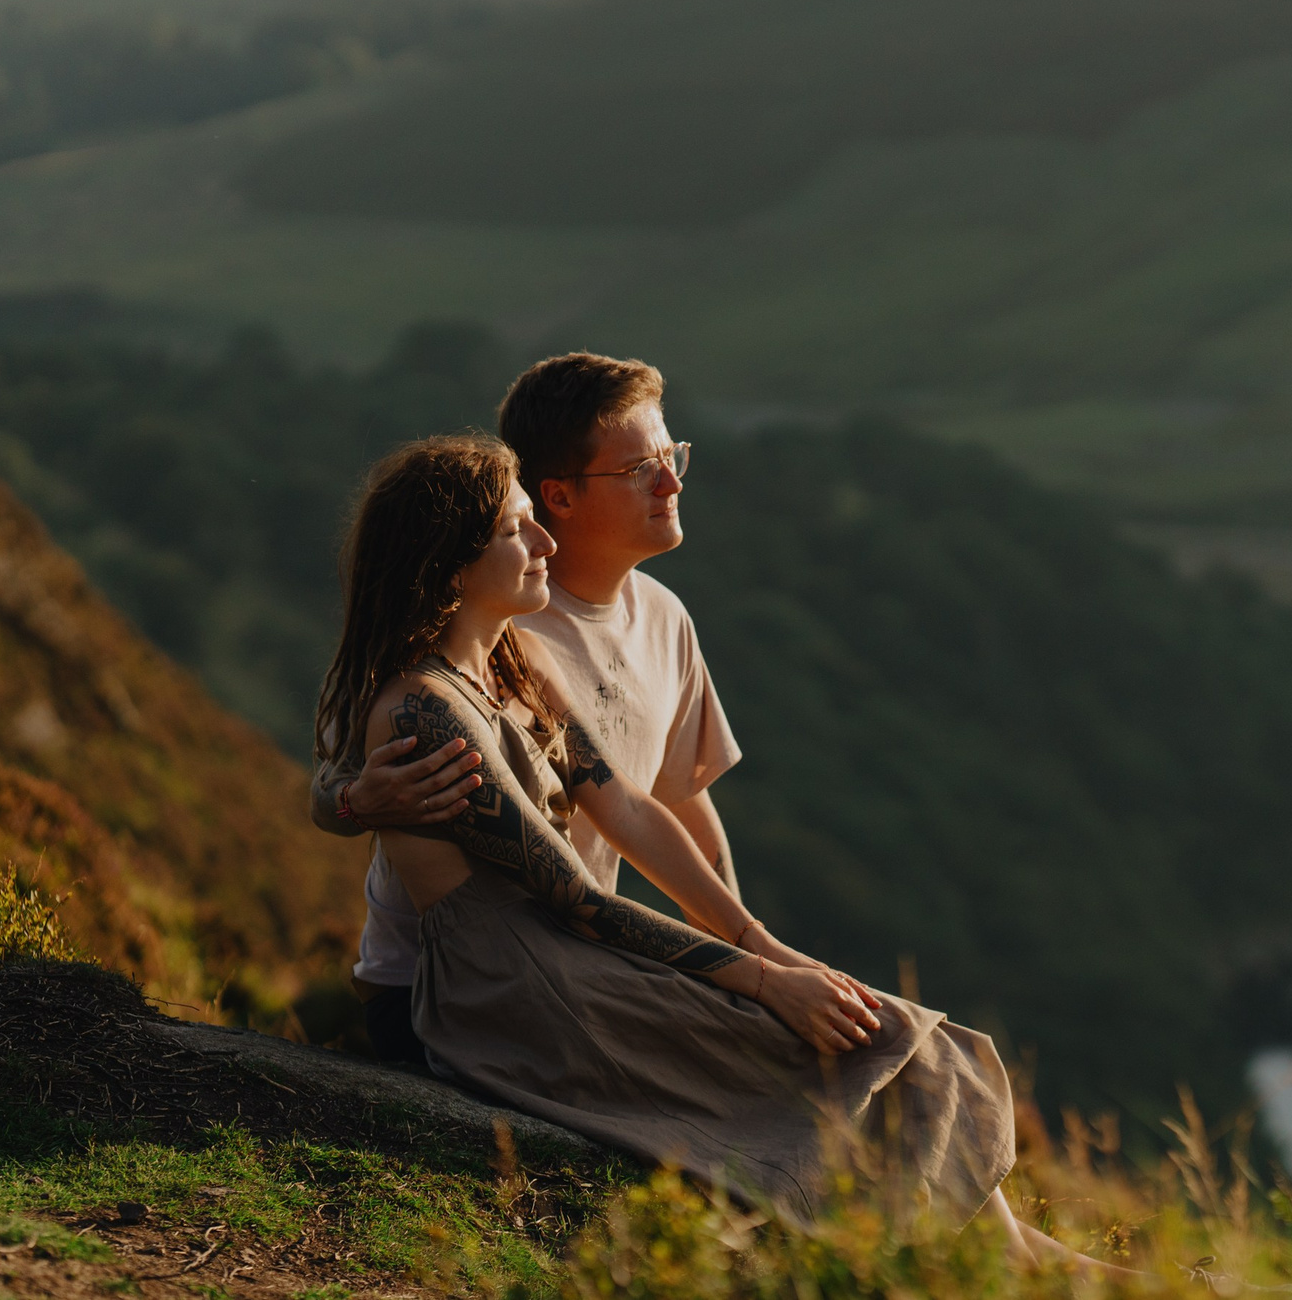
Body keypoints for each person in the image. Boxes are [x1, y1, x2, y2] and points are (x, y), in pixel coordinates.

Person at [314, 434, 1114, 1269]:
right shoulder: (426, 715)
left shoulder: (515, 661)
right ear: (448, 565)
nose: (546, 544)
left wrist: (759, 941)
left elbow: (625, 803)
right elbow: (573, 899)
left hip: (561, 958)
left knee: (886, 1035)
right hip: (510, 989)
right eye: (521, 529)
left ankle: (1037, 1264)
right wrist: (765, 980)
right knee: (832, 1042)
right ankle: (1023, 1270)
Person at [313, 354, 741, 1066]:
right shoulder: (490, 630)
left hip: (572, 959)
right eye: (641, 468)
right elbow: (338, 778)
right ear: (558, 495)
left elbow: (670, 802)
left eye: (673, 457)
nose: (672, 482)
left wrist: (745, 943)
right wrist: (358, 802)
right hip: (467, 982)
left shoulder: (665, 619)